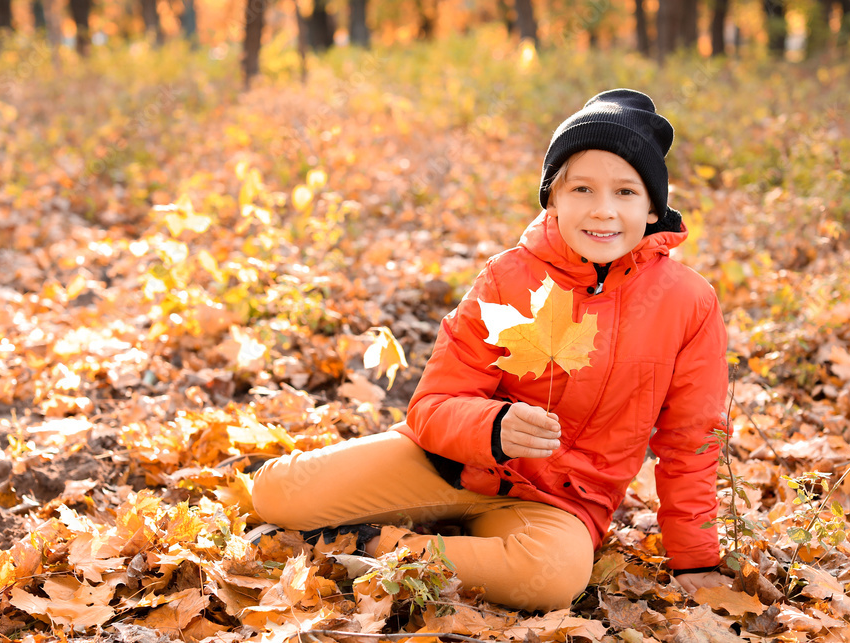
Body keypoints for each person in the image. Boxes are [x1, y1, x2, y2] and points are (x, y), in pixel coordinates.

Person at [251, 88, 730, 612]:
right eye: (582, 189)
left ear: (653, 207)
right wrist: (494, 428)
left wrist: (696, 560)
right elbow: (432, 405)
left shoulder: (689, 302)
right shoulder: (508, 277)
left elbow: (691, 443)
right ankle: (425, 524)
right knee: (277, 496)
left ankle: (376, 547)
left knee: (551, 578)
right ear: (552, 198)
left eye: (625, 193)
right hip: (451, 463)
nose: (602, 211)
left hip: (560, 502)